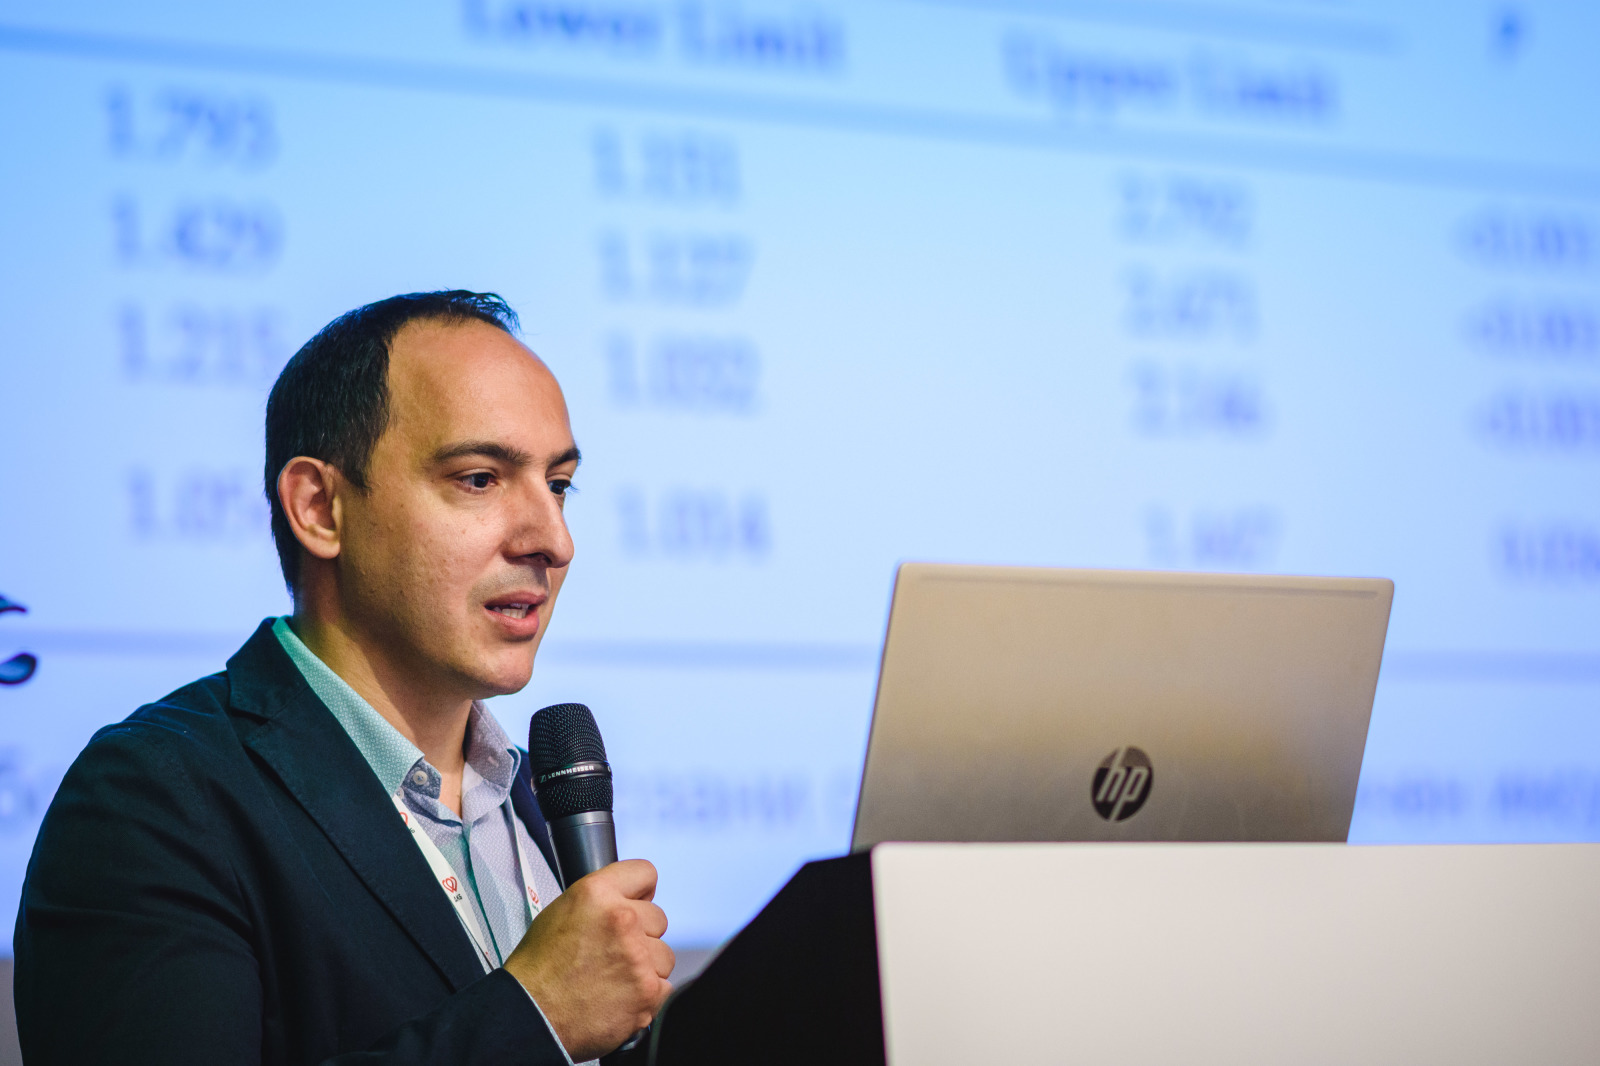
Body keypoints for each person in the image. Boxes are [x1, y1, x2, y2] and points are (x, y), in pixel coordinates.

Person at [14, 291, 673, 1064]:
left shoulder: (529, 794)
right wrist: (535, 1016)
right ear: (320, 508)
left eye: (558, 485)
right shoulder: (154, 798)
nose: (553, 540)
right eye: (479, 479)